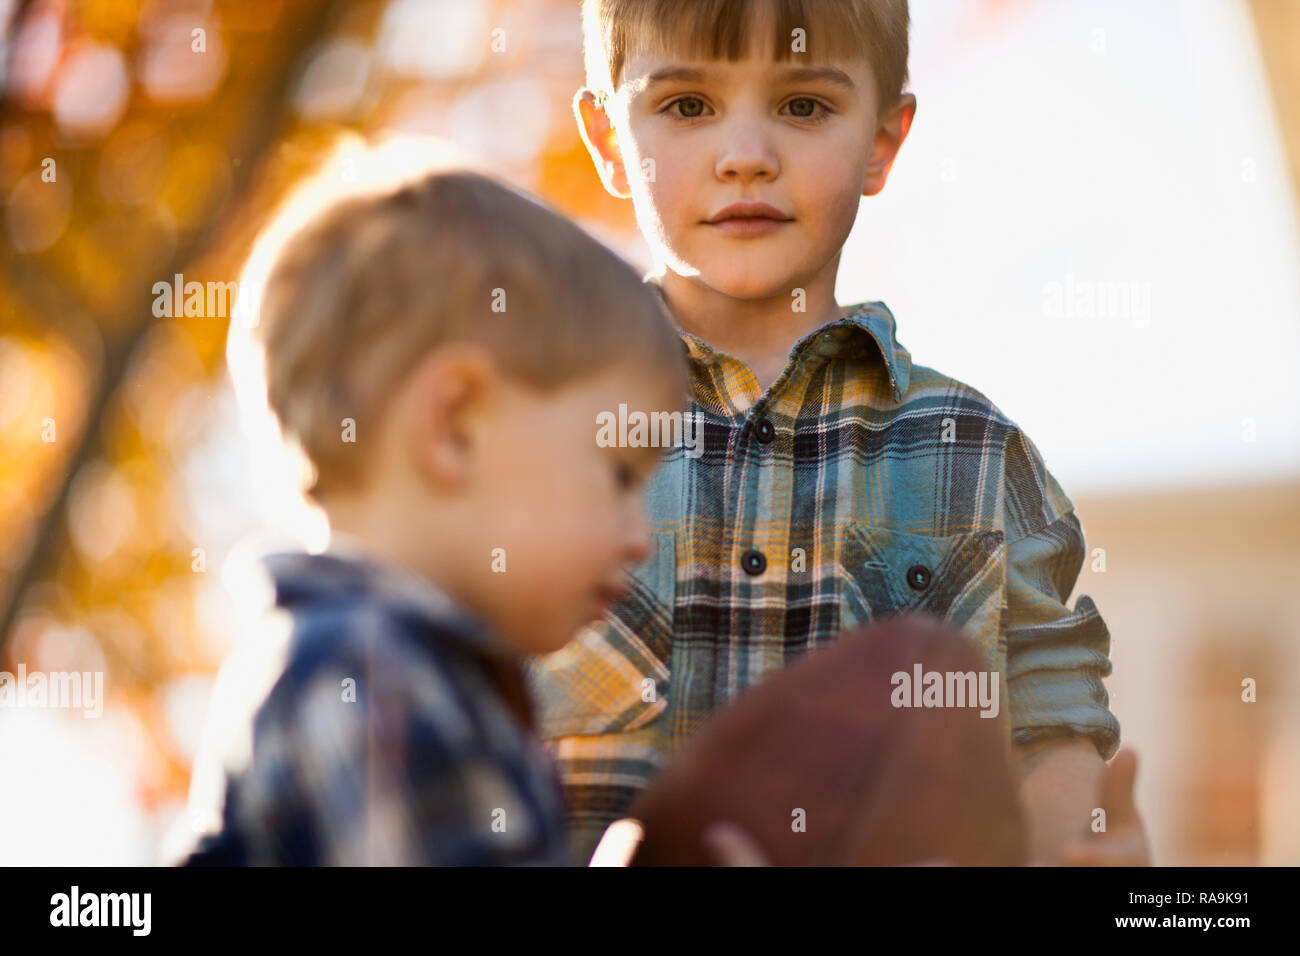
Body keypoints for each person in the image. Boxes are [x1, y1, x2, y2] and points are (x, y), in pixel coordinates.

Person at [529, 0, 1150, 866]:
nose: (746, 157)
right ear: (604, 138)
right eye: (687, 107)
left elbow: (1049, 726)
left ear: (882, 143)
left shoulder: (974, 456)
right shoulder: (531, 440)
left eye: (804, 106)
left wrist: (1079, 845)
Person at [180, 168, 687, 864]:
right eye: (622, 475)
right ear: (456, 426)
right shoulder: (374, 676)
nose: (640, 537)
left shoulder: (388, 666)